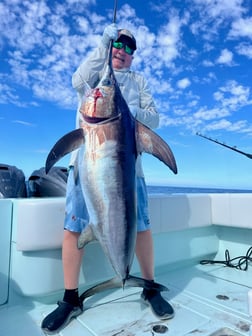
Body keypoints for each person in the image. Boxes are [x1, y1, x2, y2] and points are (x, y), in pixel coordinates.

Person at [41, 24, 174, 334]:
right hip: (84, 169)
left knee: (141, 227)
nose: (122, 51)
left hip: (130, 172)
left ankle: (149, 286)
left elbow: (154, 118)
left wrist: (128, 111)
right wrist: (103, 44)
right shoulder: (94, 73)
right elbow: (78, 80)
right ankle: (70, 298)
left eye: (129, 48)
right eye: (118, 45)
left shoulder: (139, 81)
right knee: (74, 228)